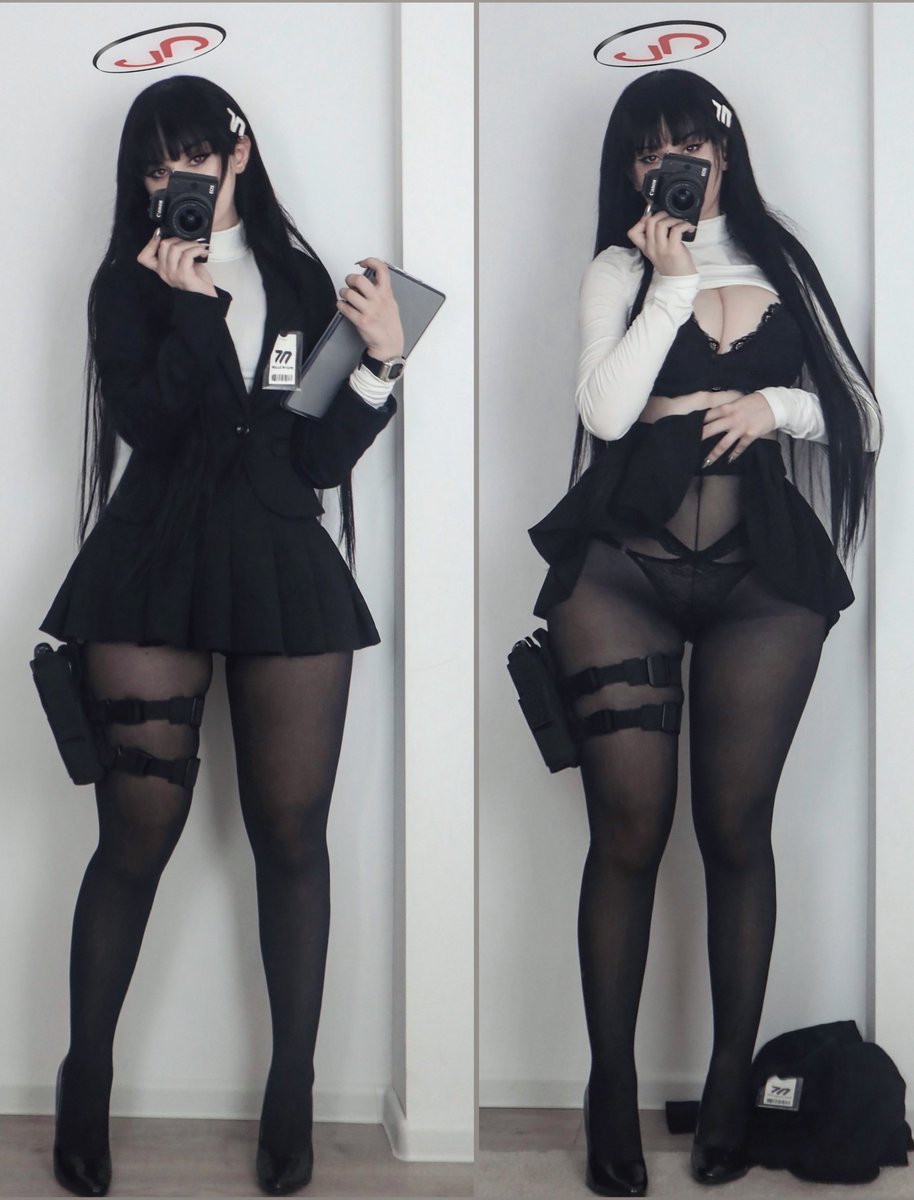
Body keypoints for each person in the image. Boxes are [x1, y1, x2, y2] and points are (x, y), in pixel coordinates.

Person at [41, 75, 405, 1198]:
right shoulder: (125, 282)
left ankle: (292, 1084)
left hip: (281, 562)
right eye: (156, 168)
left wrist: (383, 364)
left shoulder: (298, 279)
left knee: (292, 839)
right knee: (133, 839)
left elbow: (313, 455)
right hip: (152, 561)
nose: (178, 182)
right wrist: (191, 305)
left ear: (237, 153)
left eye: (194, 158)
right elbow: (151, 427)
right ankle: (86, 1075)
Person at [528, 69, 879, 1196]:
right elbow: (603, 411)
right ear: (631, 169)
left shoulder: (781, 263)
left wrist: (771, 408)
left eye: (687, 146)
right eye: (649, 151)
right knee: (626, 834)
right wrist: (671, 286)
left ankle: (730, 1084)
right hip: (621, 571)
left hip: (759, 581)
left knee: (736, 831)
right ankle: (609, 1089)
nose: (670, 166)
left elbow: (863, 415)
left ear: (724, 154)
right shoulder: (620, 269)